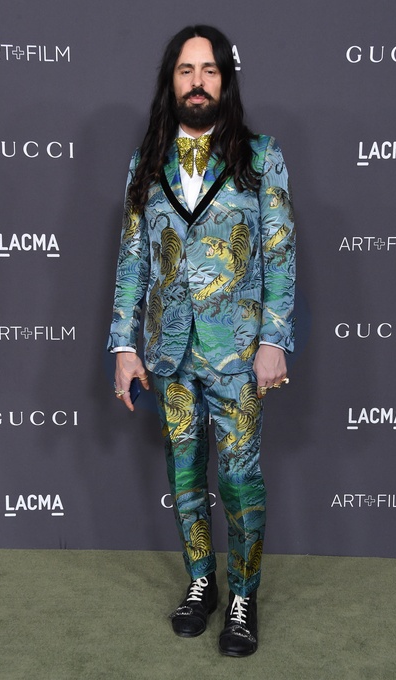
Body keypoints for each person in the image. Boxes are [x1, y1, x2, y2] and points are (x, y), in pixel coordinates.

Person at [108, 24, 295, 657]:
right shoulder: (146, 161)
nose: (197, 82)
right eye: (186, 70)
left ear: (225, 80)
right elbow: (132, 260)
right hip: (168, 353)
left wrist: (273, 341)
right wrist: (124, 347)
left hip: (238, 353)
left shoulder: (261, 156)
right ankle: (200, 583)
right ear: (171, 81)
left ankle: (243, 596)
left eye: (209, 70)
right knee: (185, 475)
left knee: (239, 481)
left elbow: (280, 254)